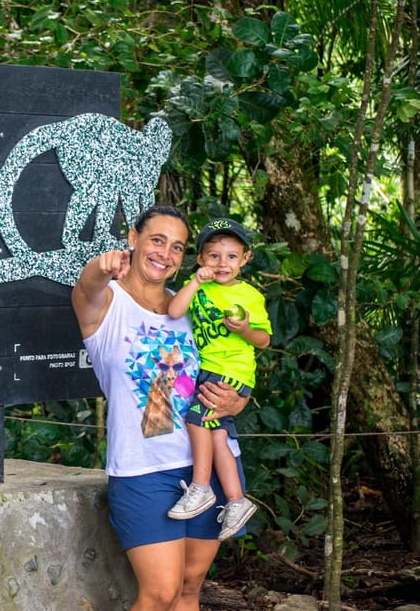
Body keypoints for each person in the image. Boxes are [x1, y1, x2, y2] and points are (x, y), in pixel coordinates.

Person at [72, 206, 250, 611]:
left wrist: (240, 398)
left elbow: (232, 362)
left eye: (177, 247)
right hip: (143, 469)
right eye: (156, 240)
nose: (165, 253)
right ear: (133, 239)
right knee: (159, 593)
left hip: (211, 465)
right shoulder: (107, 303)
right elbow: (86, 288)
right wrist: (100, 267)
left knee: (189, 589)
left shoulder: (190, 305)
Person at [166, 217, 271, 540]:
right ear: (200, 259)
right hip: (206, 370)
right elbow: (173, 311)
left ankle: (201, 487)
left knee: (197, 420)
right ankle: (237, 500)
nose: (222, 263)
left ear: (245, 258)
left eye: (231, 256)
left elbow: (264, 340)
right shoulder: (201, 290)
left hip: (231, 373)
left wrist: (245, 329)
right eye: (213, 255)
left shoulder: (249, 295)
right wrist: (195, 281)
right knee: (217, 436)